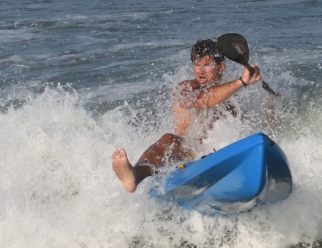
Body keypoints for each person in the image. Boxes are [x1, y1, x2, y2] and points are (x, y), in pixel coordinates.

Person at [112, 38, 263, 193]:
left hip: (215, 155)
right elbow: (203, 99)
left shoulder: (233, 99)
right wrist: (241, 82)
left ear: (221, 67)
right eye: (196, 65)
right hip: (185, 158)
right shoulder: (186, 88)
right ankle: (135, 175)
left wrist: (273, 101)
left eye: (206, 65)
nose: (200, 71)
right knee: (168, 139)